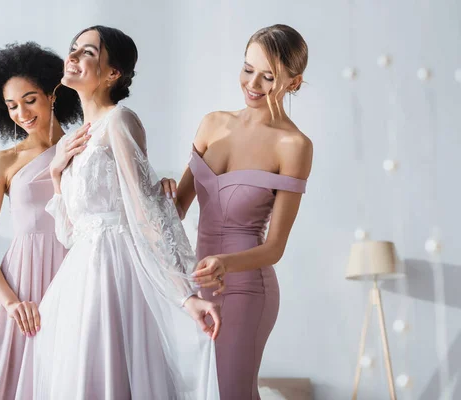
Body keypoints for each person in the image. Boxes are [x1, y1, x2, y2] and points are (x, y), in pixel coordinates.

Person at [33, 26, 221, 399]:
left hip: (115, 272)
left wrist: (187, 294)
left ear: (113, 72)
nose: (72, 56)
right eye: (73, 48)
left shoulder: (119, 121)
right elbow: (69, 235)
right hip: (80, 276)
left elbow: (146, 213)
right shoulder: (75, 137)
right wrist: (57, 173)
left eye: (87, 52)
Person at [162, 24, 313, 399]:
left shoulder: (293, 146)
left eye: (269, 77)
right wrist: (160, 194)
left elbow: (275, 247)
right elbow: (177, 208)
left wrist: (226, 264)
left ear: (293, 83)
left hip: (246, 286)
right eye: (248, 69)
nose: (253, 84)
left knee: (231, 392)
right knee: (196, 391)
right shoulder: (213, 123)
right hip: (196, 282)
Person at [0, 42, 81, 400]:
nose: (21, 113)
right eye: (12, 105)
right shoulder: (4, 162)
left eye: (29, 99)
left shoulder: (85, 146)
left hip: (76, 276)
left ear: (53, 93)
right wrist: (11, 302)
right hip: (21, 288)